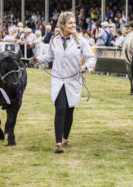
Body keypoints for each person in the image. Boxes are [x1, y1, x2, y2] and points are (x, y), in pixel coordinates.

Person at [29, 11, 97, 153]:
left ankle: (65, 137)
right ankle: (58, 143)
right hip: (58, 79)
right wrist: (37, 60)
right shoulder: (54, 40)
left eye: (74, 22)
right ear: (62, 25)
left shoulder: (81, 41)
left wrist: (86, 66)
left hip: (73, 79)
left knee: (69, 109)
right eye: (70, 23)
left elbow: (91, 58)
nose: (74, 25)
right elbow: (49, 56)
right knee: (60, 108)